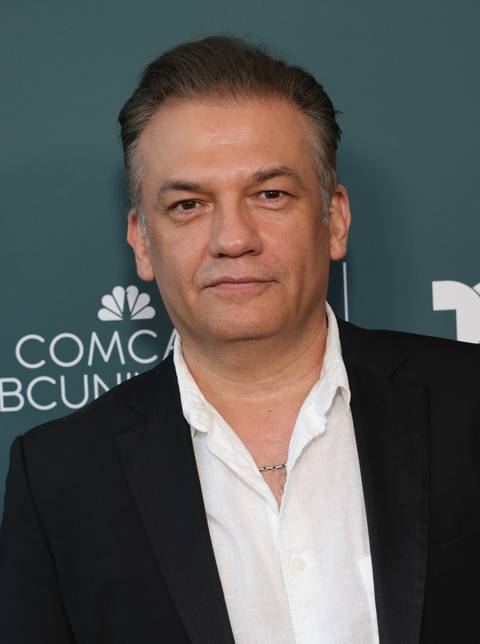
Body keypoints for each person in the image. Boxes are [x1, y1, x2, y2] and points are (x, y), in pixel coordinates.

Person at [0, 35, 479, 644]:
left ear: (334, 220)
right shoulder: (60, 477)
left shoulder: (468, 402)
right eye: (188, 204)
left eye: (270, 195)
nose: (233, 239)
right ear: (142, 241)